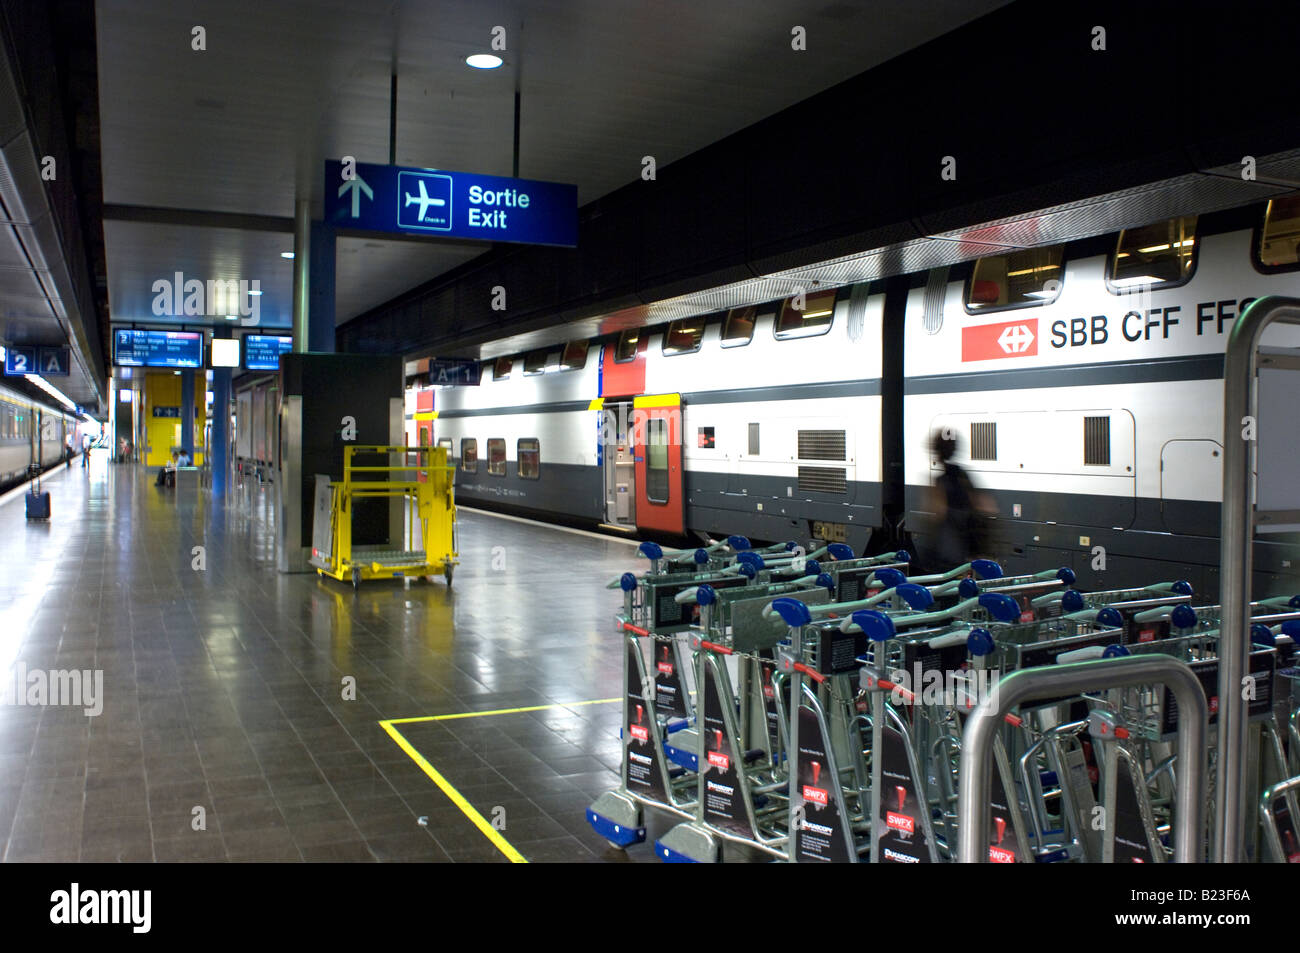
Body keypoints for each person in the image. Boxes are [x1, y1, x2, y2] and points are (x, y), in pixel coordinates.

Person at [925, 429, 996, 571]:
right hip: (965, 551)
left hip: (948, 553)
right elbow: (985, 507)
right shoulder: (963, 476)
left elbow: (939, 514)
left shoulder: (941, 481)